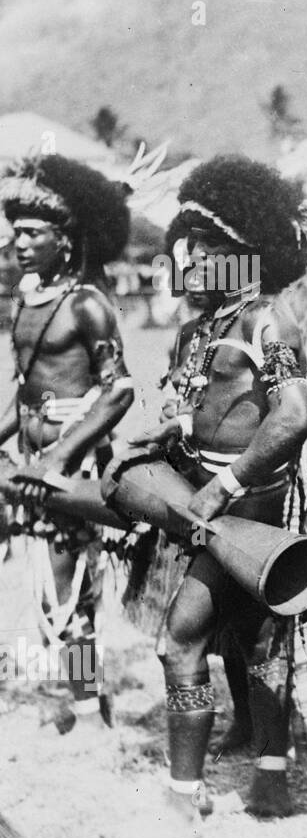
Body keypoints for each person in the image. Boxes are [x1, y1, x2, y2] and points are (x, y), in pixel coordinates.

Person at [126, 155, 307, 833]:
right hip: (203, 501)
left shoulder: (266, 323)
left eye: (210, 249)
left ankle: (186, 793)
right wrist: (170, 434)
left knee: (181, 641)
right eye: (189, 247)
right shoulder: (198, 329)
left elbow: (295, 413)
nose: (194, 259)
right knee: (257, 636)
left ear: (247, 255)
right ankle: (270, 778)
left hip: (251, 504)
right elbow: (206, 407)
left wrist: (225, 485)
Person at [0, 155, 133, 738]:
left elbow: (119, 390)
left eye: (33, 234)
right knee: (48, 587)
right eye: (16, 234)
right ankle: (81, 700)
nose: (19, 244)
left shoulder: (87, 304)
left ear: (64, 239)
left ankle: (86, 711)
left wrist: (59, 457)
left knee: (69, 590)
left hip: (69, 470)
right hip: (30, 465)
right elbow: (24, 391)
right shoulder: (25, 299)